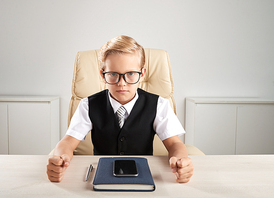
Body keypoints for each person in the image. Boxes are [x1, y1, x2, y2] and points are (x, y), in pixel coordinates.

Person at [47, 35, 194, 183]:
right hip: (102, 175)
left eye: (130, 74)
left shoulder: (158, 104)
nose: (122, 83)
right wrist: (59, 158)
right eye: (113, 74)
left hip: (142, 175)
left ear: (142, 74)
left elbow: (175, 144)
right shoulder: (88, 104)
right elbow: (67, 142)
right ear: (102, 75)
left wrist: (181, 161)